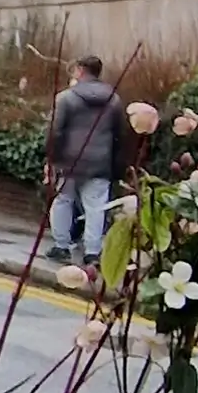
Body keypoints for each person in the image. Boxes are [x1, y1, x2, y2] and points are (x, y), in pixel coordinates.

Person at [42, 54, 122, 288]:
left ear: (79, 70)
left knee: (63, 201)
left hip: (69, 161)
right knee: (96, 207)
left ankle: (62, 247)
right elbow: (119, 136)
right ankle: (92, 253)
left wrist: (52, 158)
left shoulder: (66, 98)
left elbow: (55, 131)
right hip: (100, 161)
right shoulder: (114, 100)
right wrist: (116, 165)